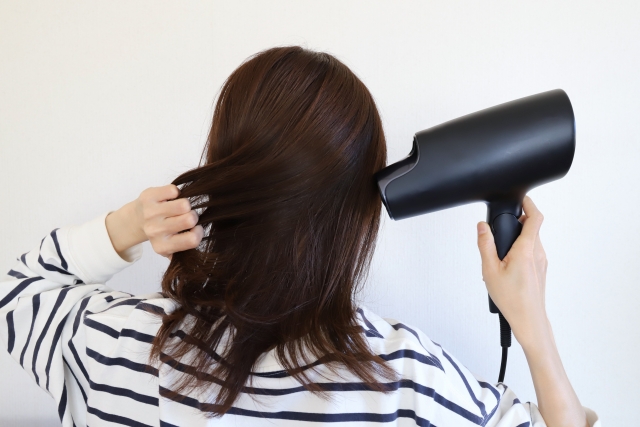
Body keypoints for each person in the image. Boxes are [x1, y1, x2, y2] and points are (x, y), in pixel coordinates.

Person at [0, 46, 599, 427]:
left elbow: (19, 289)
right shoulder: (408, 384)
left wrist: (129, 224)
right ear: (358, 212)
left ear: (222, 170)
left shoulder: (112, 348)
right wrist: (531, 323)